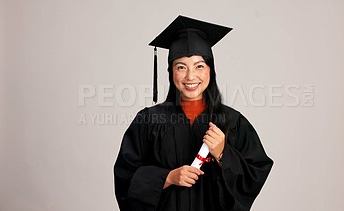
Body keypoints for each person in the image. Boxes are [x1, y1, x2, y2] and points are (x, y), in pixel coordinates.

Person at [114, 15, 273, 211]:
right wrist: (167, 177)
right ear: (171, 72)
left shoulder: (233, 121)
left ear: (210, 71)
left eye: (199, 66)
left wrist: (223, 154)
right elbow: (124, 176)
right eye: (181, 67)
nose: (190, 76)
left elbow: (255, 174)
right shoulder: (148, 120)